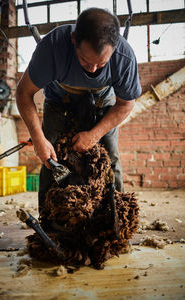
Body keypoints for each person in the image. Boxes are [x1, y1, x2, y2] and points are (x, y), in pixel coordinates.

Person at [16, 7, 142, 211]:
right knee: (51, 156)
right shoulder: (53, 47)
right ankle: (49, 222)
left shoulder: (124, 57)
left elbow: (126, 103)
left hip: (103, 101)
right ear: (74, 39)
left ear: (114, 47)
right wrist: (38, 139)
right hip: (59, 100)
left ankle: (114, 217)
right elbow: (23, 93)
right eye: (85, 60)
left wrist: (94, 135)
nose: (92, 70)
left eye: (101, 64)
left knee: (110, 157)